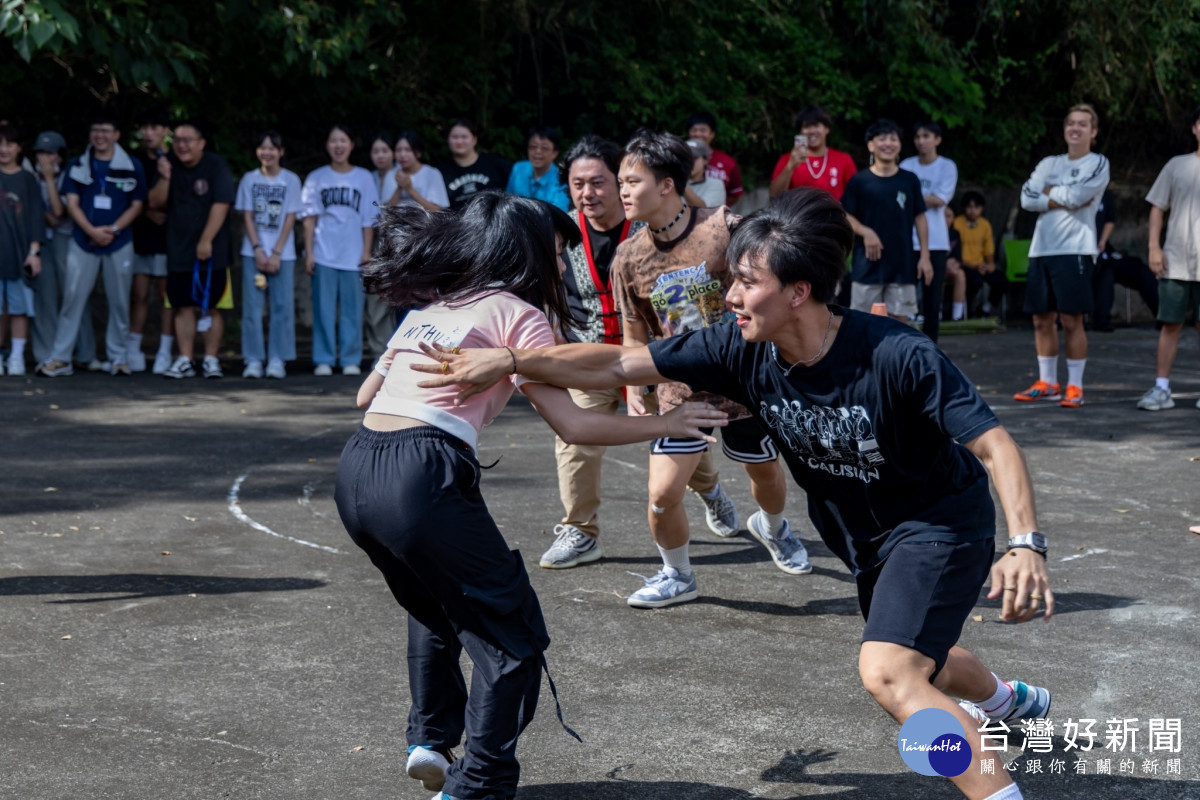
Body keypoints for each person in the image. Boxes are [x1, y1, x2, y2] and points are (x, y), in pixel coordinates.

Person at [418, 188, 1057, 800]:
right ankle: (1009, 702)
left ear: (799, 292)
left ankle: (998, 791)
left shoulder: (896, 354)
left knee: (890, 672)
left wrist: (1026, 544)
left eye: (747, 282)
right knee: (927, 661)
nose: (729, 297)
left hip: (939, 525)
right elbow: (616, 364)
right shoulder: (738, 349)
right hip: (866, 538)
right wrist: (511, 360)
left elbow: (995, 444)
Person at [336, 192, 724, 800]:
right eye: (560, 253)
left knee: (437, 608)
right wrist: (665, 425)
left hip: (358, 470)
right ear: (530, 253)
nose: (564, 266)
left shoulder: (430, 308)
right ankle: (476, 787)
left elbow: (365, 396)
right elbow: (577, 426)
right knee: (512, 638)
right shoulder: (518, 316)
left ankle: (430, 740)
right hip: (421, 473)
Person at [608, 130, 808, 608]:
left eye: (632, 181)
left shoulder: (726, 227)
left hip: (746, 386)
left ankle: (774, 527)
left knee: (766, 477)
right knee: (661, 495)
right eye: (621, 181)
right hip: (680, 393)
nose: (623, 192)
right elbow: (635, 334)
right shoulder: (627, 257)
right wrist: (636, 387)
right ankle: (677, 575)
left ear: (666, 184)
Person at [540, 135, 726, 570]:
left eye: (600, 182)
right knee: (575, 440)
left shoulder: (652, 228)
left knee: (681, 438)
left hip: (651, 359)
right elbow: (546, 288)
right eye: (577, 183)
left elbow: (685, 310)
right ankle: (581, 531)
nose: (589, 193)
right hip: (587, 359)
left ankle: (711, 490)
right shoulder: (559, 232)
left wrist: (653, 374)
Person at [1015, 104, 1109, 408]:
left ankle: (1075, 386)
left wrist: (1050, 193)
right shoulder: (1049, 163)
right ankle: (1048, 382)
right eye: (1070, 123)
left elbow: (1080, 196)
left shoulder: (1098, 162)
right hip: (1042, 249)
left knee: (1072, 319)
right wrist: (1061, 194)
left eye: (1082, 124)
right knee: (1041, 319)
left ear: (1093, 132)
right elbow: (1026, 199)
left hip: (1075, 249)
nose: (1075, 128)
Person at [38, 113, 146, 378]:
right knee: (72, 300)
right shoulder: (78, 164)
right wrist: (91, 231)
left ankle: (118, 358)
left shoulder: (131, 165)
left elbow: (137, 204)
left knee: (120, 301)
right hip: (83, 240)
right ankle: (61, 358)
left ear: (116, 135)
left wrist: (114, 229)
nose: (100, 135)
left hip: (119, 241)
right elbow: (71, 203)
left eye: (106, 130)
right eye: (96, 130)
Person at [148, 121, 236, 379]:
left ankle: (210, 359)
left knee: (213, 305)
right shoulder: (168, 164)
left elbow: (222, 203)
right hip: (178, 249)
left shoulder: (215, 165)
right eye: (178, 141)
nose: (182, 146)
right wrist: (164, 176)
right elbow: (154, 203)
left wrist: (206, 239)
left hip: (213, 250)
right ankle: (185, 358)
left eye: (188, 140)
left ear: (201, 142)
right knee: (182, 305)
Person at [300, 124, 378, 376]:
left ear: (351, 145)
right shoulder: (317, 177)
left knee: (352, 311)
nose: (338, 146)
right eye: (334, 141)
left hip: (353, 254)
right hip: (323, 253)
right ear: (327, 145)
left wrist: (366, 253)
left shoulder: (364, 177)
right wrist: (309, 253)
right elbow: (309, 219)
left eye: (343, 141)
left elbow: (369, 219)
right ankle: (323, 358)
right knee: (322, 310)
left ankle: (350, 358)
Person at [1136, 105, 1200, 412]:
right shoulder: (1177, 165)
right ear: (1194, 128)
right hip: (1176, 260)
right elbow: (1157, 207)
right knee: (1170, 325)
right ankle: (1161, 389)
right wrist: (1153, 247)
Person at [841, 119, 931, 319]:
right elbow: (845, 214)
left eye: (893, 139)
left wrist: (925, 257)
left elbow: (920, 217)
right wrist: (866, 232)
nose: (888, 143)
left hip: (902, 264)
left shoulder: (909, 179)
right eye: (882, 139)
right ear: (871, 145)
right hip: (866, 265)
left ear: (899, 144)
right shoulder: (859, 181)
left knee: (901, 325)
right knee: (860, 323)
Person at [235, 130, 302, 379]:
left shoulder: (291, 180)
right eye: (263, 148)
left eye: (272, 148)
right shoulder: (249, 179)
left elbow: (290, 218)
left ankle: (277, 359)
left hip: (282, 255)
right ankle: (253, 359)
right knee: (252, 308)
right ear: (257, 152)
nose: (267, 152)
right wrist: (257, 249)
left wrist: (275, 253)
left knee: (282, 307)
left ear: (281, 152)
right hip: (252, 253)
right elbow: (247, 216)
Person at [30, 129, 97, 370]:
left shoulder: (70, 174)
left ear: (59, 155)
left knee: (75, 295)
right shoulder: (27, 174)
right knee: (44, 297)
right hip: (39, 241)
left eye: (50, 153)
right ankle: (45, 353)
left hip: (67, 239)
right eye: (41, 152)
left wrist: (49, 180)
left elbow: (60, 213)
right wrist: (44, 215)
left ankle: (87, 354)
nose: (45, 158)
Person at [899, 121, 957, 341]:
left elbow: (941, 199)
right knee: (905, 296)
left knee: (933, 299)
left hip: (936, 242)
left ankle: (931, 345)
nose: (921, 141)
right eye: (917, 137)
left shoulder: (947, 166)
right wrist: (923, 198)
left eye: (926, 136)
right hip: (907, 240)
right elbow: (898, 197)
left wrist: (911, 197)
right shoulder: (907, 164)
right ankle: (905, 343)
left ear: (937, 140)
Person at [128, 109, 175, 374]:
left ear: (165, 131)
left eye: (154, 127)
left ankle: (165, 350)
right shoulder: (133, 161)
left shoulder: (175, 160)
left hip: (168, 239)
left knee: (166, 295)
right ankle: (133, 348)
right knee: (139, 294)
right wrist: (145, 210)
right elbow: (129, 197)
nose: (148, 133)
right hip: (140, 236)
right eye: (144, 127)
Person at [0, 122, 45, 376]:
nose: (3, 149)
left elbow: (36, 217)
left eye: (9, 144)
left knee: (19, 308)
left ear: (19, 148)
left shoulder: (28, 179)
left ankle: (17, 356)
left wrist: (34, 252)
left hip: (19, 254)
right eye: (0, 144)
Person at [769, 106, 857, 201]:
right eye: (807, 127)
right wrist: (790, 166)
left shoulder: (844, 159)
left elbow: (855, 196)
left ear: (827, 129)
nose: (811, 131)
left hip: (833, 215)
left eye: (816, 126)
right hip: (800, 215)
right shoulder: (787, 159)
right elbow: (774, 196)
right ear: (800, 131)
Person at [363, 132, 399, 361]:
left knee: (399, 298)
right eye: (376, 151)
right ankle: (379, 352)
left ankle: (399, 351)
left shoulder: (402, 174)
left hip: (400, 242)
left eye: (385, 151)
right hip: (373, 240)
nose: (380, 156)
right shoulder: (367, 177)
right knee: (375, 300)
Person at [952, 191, 1006, 319]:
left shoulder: (985, 224)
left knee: (1002, 281)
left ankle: (985, 308)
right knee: (975, 281)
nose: (973, 211)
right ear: (964, 208)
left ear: (982, 208)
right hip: (964, 265)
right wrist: (974, 266)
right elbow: (955, 252)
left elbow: (989, 250)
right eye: (969, 207)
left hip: (981, 266)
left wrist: (990, 264)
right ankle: (968, 311)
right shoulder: (957, 223)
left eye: (976, 207)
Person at [439, 118, 511, 209]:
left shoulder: (496, 165)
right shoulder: (442, 172)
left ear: (474, 140)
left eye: (464, 137)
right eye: (455, 137)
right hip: (458, 222)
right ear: (448, 140)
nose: (459, 141)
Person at [685, 111, 744, 208]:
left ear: (712, 134)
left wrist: (716, 203)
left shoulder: (727, 162)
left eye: (703, 130)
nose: (698, 134)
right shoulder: (680, 159)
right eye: (694, 130)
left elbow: (734, 195)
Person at [382, 131, 450, 212]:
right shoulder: (391, 174)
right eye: (398, 150)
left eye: (408, 150)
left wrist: (409, 189)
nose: (402, 155)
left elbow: (436, 210)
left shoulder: (432, 173)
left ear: (418, 153)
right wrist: (399, 188)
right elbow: (386, 211)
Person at [505, 126, 569, 211]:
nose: (538, 151)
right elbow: (506, 202)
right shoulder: (519, 168)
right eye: (533, 146)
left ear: (555, 153)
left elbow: (559, 215)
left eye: (544, 148)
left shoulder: (561, 180)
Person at [685, 138, 726, 208]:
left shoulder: (716, 184)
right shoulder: (671, 183)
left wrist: (679, 183)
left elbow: (703, 210)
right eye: (685, 158)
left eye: (694, 158)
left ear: (706, 160)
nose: (689, 162)